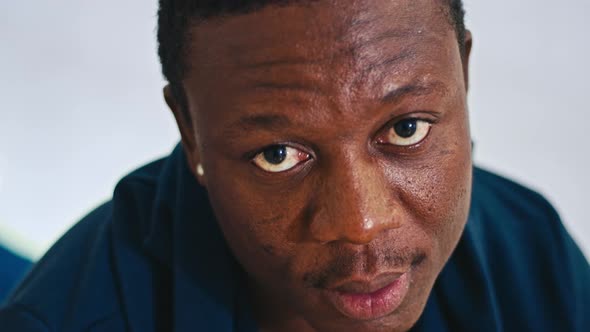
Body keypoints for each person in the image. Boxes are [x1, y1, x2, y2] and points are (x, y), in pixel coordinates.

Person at [1, 0, 588, 331]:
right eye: (277, 155)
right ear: (190, 133)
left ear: (463, 73)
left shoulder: (532, 256)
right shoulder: (66, 320)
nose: (360, 223)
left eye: (405, 129)